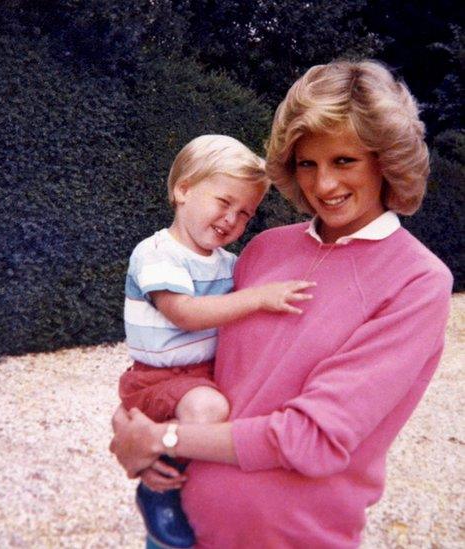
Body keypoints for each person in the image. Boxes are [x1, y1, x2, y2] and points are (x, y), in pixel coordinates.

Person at [110, 60, 453, 549]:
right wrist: (132, 425)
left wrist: (163, 440)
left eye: (344, 161)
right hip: (180, 532)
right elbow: (184, 355)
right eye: (307, 164)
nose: (324, 185)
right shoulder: (266, 249)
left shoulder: (416, 281)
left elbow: (312, 438)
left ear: (386, 160)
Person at [119, 134, 315, 548]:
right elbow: (185, 314)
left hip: (201, 375)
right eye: (223, 202)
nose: (232, 220)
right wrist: (259, 298)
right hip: (158, 377)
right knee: (209, 407)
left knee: (216, 406)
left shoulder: (230, 264)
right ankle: (160, 490)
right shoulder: (156, 254)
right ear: (183, 189)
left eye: (245, 213)